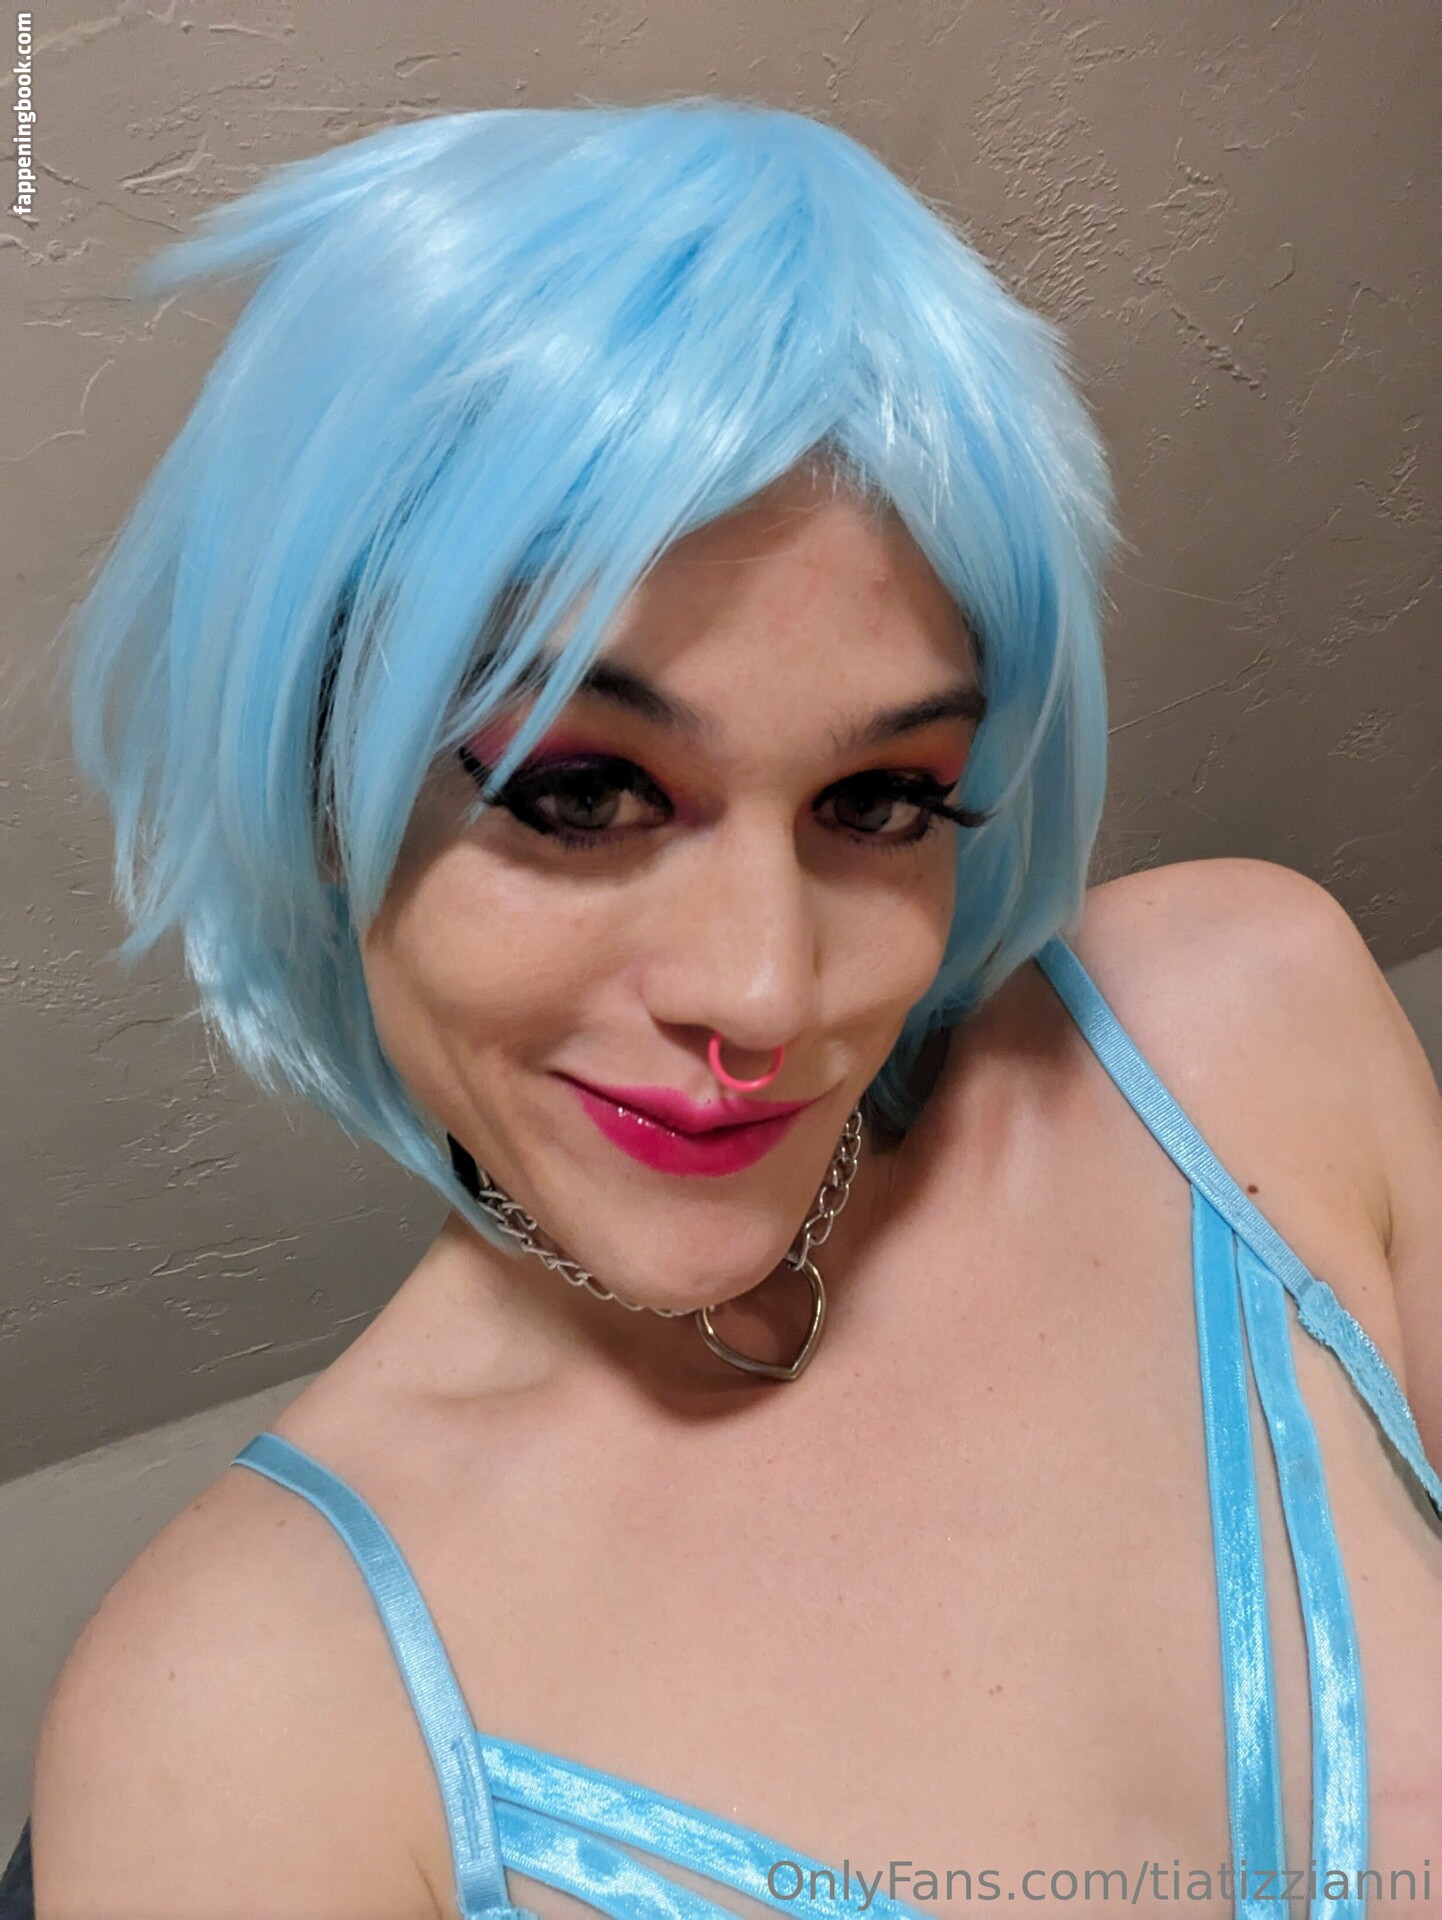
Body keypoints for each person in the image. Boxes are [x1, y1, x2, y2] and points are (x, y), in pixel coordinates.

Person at [19, 100, 1441, 1920]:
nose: (767, 991)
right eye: (579, 793)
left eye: (880, 800)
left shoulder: (1250, 1024)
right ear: (320, 793)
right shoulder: (232, 1735)